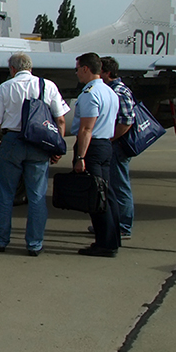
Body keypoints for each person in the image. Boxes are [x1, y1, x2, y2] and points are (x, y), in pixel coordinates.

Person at [0, 52, 69, 256]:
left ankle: (0, 241)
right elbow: (61, 120)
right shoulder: (48, 86)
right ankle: (34, 244)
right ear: (30, 68)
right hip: (39, 143)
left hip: (12, 142)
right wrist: (56, 146)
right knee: (37, 196)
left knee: (5, 194)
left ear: (12, 69)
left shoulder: (6, 87)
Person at [72, 52, 121, 257]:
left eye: (77, 69)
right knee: (107, 195)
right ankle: (111, 239)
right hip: (105, 145)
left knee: (96, 197)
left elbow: (86, 129)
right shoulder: (110, 91)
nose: (76, 74)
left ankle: (105, 244)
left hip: (92, 147)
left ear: (85, 68)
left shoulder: (90, 93)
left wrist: (81, 157)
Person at [101, 57, 136, 238]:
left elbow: (126, 122)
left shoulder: (119, 92)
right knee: (111, 186)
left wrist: (110, 138)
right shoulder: (110, 90)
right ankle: (113, 222)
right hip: (113, 144)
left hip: (118, 146)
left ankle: (123, 226)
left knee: (120, 185)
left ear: (107, 73)